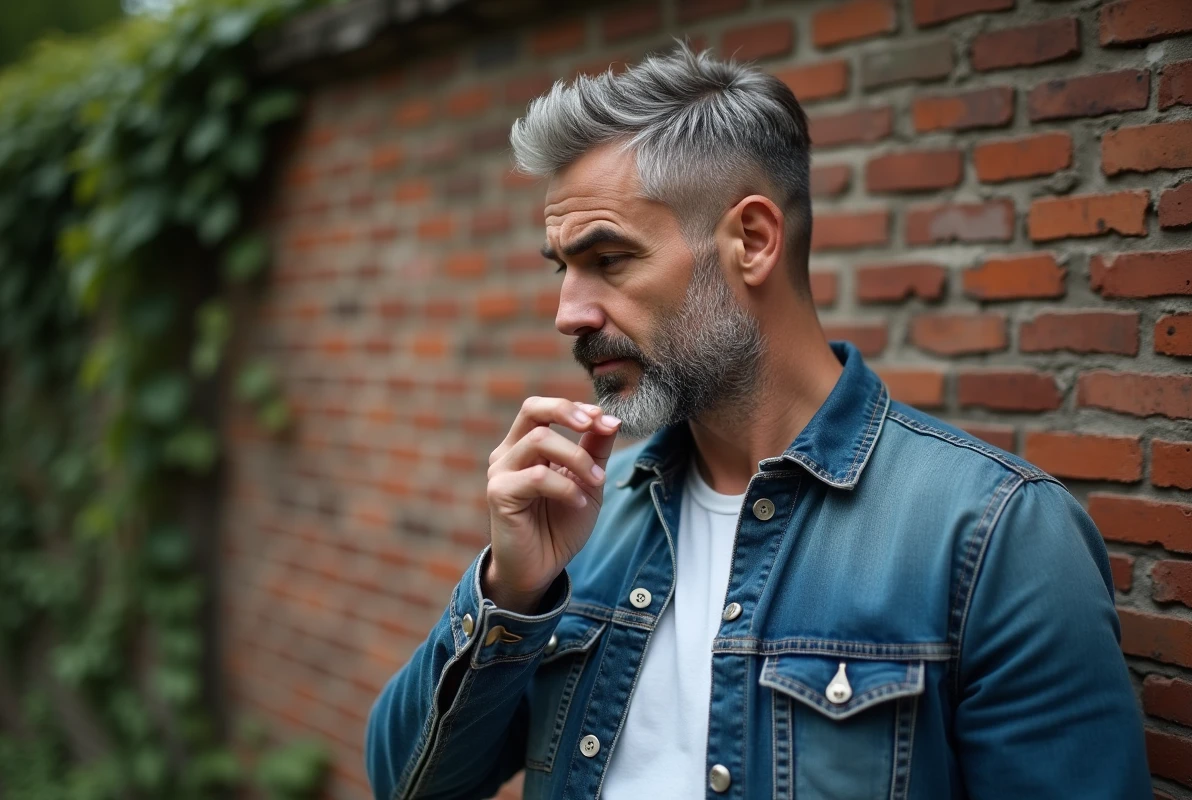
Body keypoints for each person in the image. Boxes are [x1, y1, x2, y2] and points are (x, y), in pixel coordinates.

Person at [364, 44, 1151, 800]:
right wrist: (513, 592)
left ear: (752, 240)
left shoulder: (994, 538)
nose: (569, 313)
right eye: (561, 268)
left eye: (608, 260)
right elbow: (410, 783)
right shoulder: (585, 524)